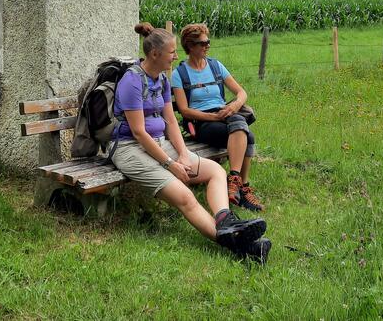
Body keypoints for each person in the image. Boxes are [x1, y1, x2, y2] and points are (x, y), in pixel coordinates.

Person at [108, 22, 271, 263]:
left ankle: (225, 221)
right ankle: (239, 245)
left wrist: (183, 154)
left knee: (215, 170)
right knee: (185, 196)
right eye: (172, 52)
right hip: (129, 149)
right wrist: (170, 164)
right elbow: (139, 133)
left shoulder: (162, 80)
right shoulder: (132, 81)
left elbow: (172, 121)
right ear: (155, 54)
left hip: (159, 143)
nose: (175, 56)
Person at [172, 23, 265, 212]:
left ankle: (235, 183)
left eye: (208, 41)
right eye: (203, 43)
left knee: (243, 129)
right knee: (247, 134)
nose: (207, 46)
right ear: (190, 46)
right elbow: (184, 111)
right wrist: (214, 117)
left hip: (226, 115)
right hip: (201, 122)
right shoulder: (179, 74)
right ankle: (241, 186)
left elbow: (241, 92)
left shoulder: (215, 66)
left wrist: (233, 106)